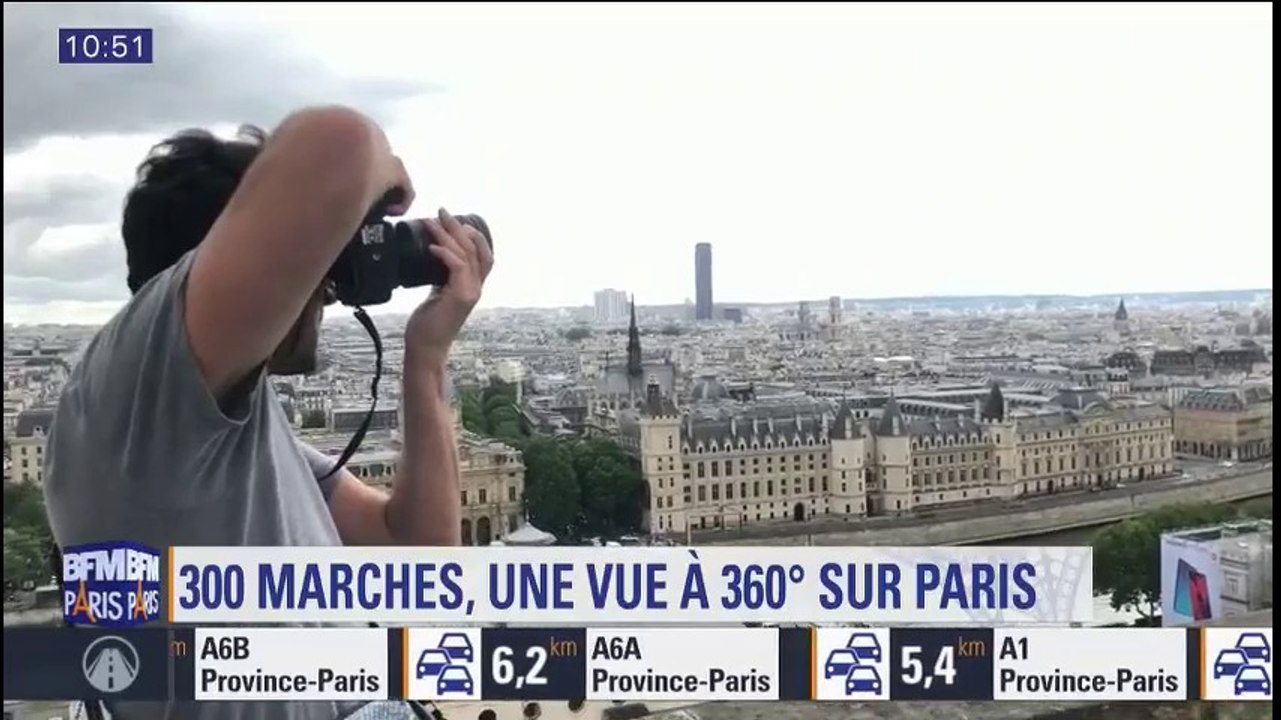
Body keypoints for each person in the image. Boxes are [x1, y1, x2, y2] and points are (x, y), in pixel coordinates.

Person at [43, 107, 493, 720]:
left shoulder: (230, 423)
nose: (329, 287)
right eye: (318, 258)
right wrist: (386, 185)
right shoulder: (140, 398)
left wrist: (428, 354)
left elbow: (414, 547)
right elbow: (340, 143)